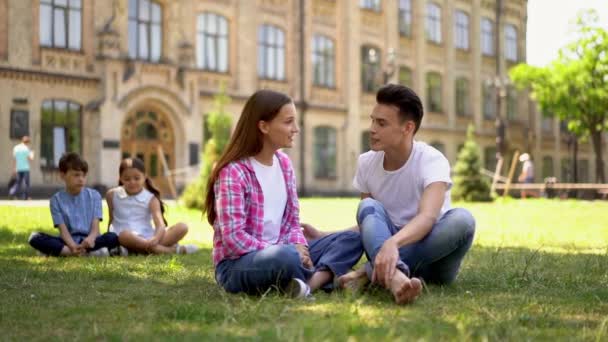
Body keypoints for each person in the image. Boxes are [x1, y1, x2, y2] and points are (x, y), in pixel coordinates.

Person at [304, 84, 476, 304]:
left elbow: (427, 218)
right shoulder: (367, 162)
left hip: (434, 258)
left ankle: (367, 274)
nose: (372, 128)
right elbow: (368, 222)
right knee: (367, 207)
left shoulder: (432, 160)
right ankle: (395, 278)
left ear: (408, 128)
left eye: (382, 123)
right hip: (385, 250)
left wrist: (392, 244)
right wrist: (324, 234)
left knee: (462, 220)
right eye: (372, 120)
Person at [206, 89, 363, 298]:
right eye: (288, 122)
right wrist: (291, 251)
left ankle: (307, 284)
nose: (296, 129)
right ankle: (326, 275)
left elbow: (291, 222)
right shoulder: (233, 172)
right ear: (263, 126)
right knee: (285, 256)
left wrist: (299, 243)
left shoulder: (284, 164)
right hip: (238, 264)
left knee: (351, 239)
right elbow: (234, 239)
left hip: (286, 252)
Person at [28, 153, 119, 257]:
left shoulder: (94, 196)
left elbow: (95, 229)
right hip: (67, 241)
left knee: (112, 237)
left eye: (83, 175)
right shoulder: (56, 200)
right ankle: (77, 252)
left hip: (91, 241)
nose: (81, 179)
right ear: (62, 175)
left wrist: (90, 239)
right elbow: (63, 231)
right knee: (34, 237)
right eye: (76, 175)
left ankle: (61, 252)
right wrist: (72, 246)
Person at [106, 158, 197, 255]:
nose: (132, 182)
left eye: (136, 178)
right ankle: (172, 250)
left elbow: (160, 225)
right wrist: (108, 238)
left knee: (182, 227)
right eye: (127, 179)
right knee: (124, 235)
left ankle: (137, 250)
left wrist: (155, 239)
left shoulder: (151, 199)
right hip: (124, 238)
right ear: (120, 178)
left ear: (144, 177)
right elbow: (111, 219)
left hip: (149, 236)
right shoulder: (112, 195)